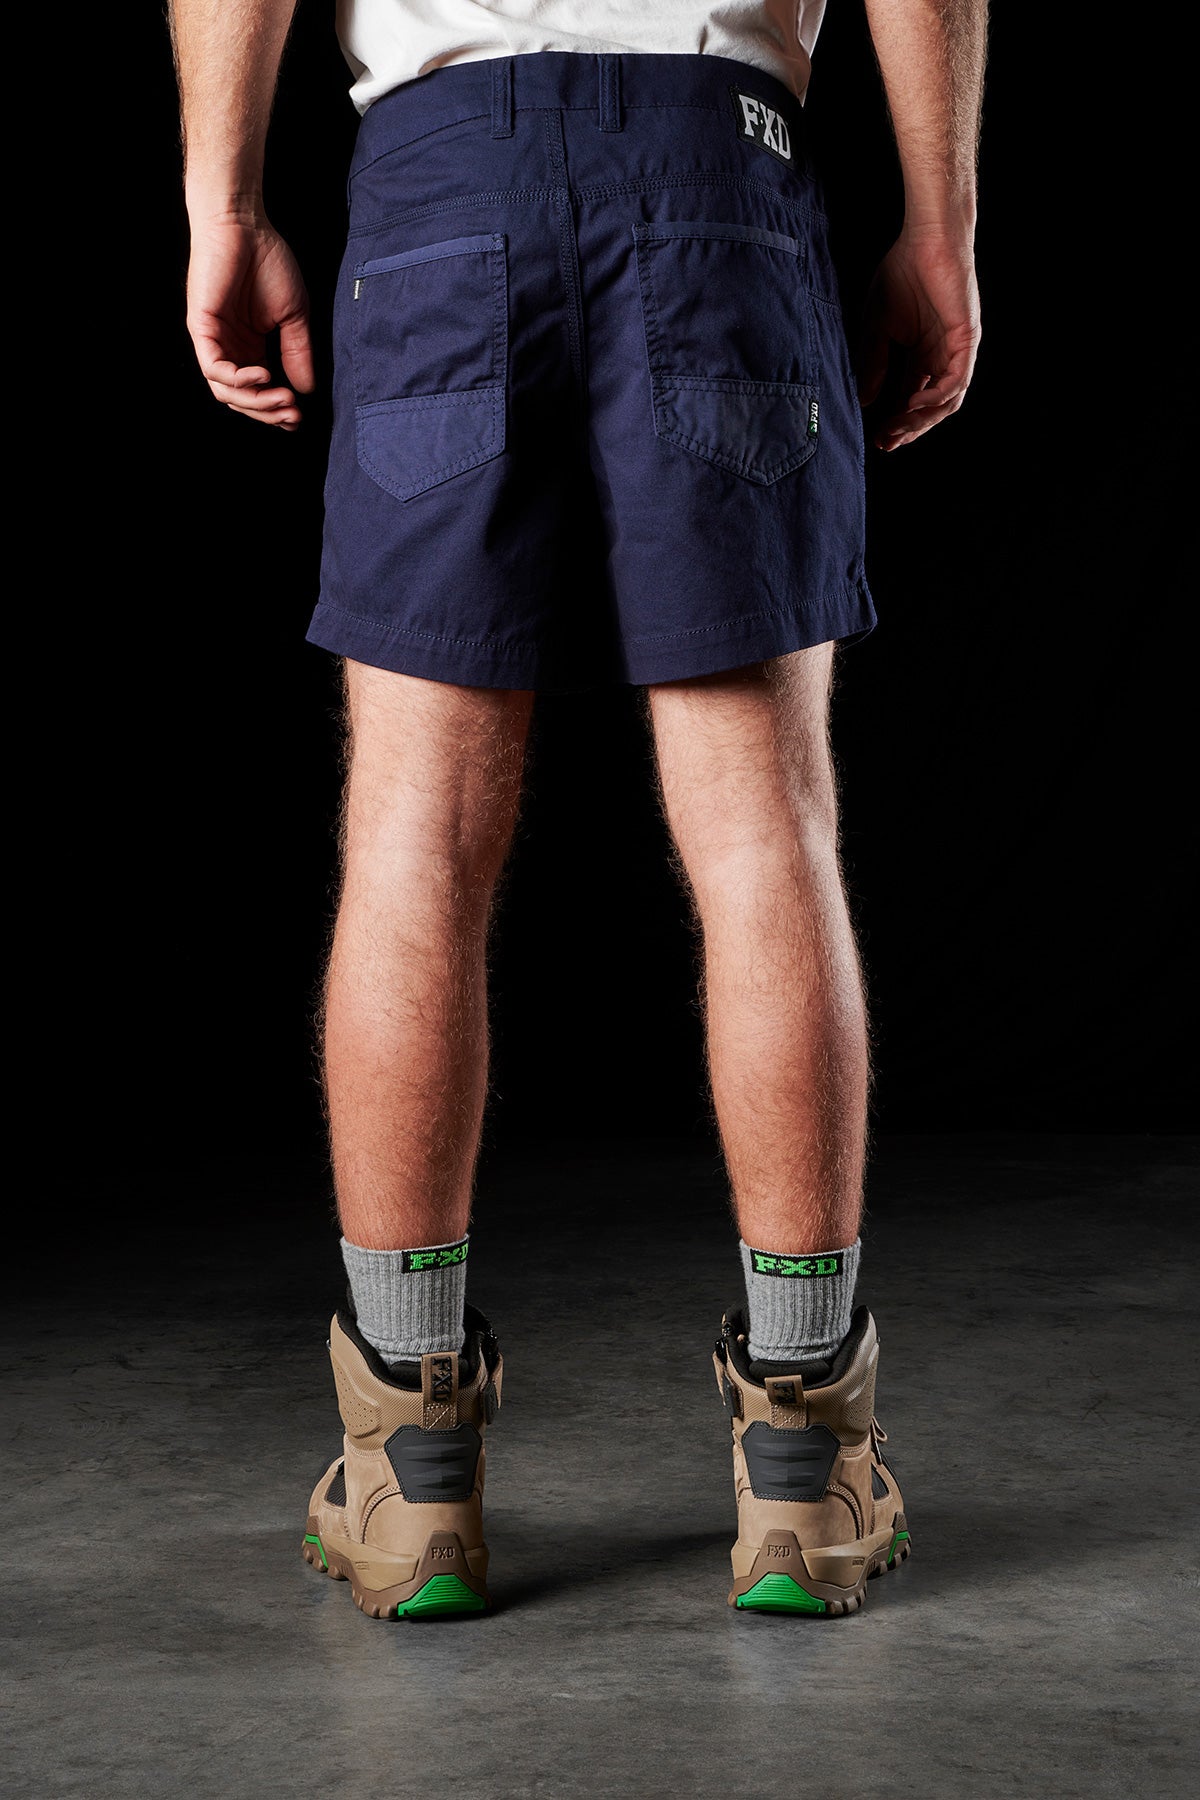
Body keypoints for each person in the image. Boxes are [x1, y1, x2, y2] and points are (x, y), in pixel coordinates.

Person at [170, 0, 985, 1618]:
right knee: (763, 828)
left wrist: (224, 200)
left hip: (442, 168)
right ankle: (804, 1467)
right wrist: (940, 224)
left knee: (415, 832)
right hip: (717, 164)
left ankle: (411, 1475)